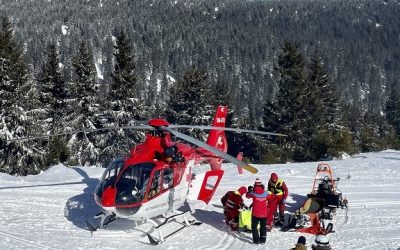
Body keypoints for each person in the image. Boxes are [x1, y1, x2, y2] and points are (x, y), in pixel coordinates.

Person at [246, 178, 275, 244]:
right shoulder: (266, 193)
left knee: (254, 227)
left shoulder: (253, 193)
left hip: (255, 214)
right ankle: (263, 240)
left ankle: (256, 240)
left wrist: (250, 190)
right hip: (264, 214)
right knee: (263, 227)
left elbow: (247, 195)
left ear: (255, 184)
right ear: (261, 184)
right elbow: (271, 196)